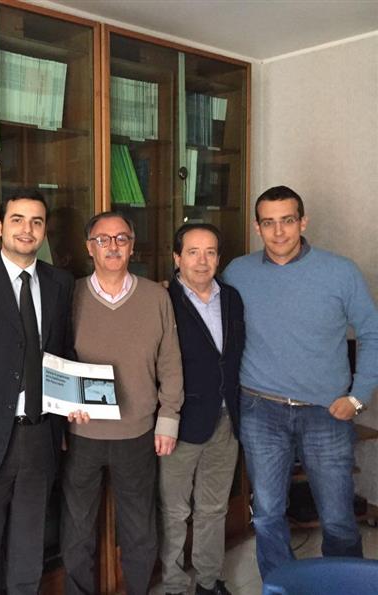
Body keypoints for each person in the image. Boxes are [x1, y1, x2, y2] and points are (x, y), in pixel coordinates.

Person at [223, 185, 378, 579]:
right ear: (257, 227)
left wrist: (358, 397)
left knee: (338, 518)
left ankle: (343, 586)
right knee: (268, 515)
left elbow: (372, 332)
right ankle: (281, 586)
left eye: (287, 221)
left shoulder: (340, 272)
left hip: (326, 413)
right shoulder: (238, 273)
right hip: (260, 410)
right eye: (269, 223)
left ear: (303, 222)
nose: (279, 232)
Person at [0, 189, 75, 594]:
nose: (27, 229)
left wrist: (73, 404)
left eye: (37, 222)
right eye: (18, 219)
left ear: (44, 231)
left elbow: (63, 351)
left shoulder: (60, 283)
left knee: (30, 540)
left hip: (42, 432)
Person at [61, 211, 184, 595]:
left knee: (139, 528)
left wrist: (168, 418)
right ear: (89, 248)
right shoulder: (69, 296)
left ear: (132, 246)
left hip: (138, 433)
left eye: (121, 239)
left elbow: (170, 362)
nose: (112, 246)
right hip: (80, 435)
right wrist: (62, 407)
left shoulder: (156, 297)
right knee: (77, 529)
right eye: (103, 239)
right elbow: (54, 359)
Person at [160, 223, 245, 595]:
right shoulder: (163, 300)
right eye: (192, 252)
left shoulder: (232, 298)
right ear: (177, 257)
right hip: (179, 423)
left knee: (214, 508)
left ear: (219, 258)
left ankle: (209, 582)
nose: (202, 260)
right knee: (174, 512)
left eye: (210, 252)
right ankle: (175, 585)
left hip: (226, 420)